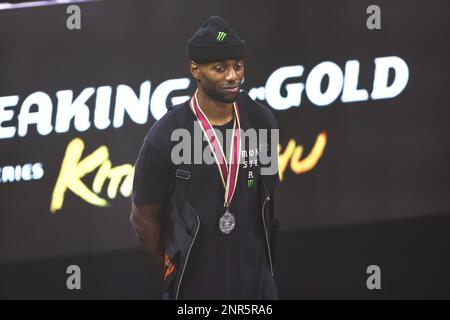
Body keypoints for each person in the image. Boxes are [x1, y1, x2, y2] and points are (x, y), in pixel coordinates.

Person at [130, 16, 280, 300]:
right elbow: (142, 217)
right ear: (195, 70)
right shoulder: (166, 135)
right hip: (195, 289)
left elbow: (266, 196)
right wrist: (171, 266)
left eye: (238, 66)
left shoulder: (261, 121)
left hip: (256, 287)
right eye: (220, 68)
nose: (233, 76)